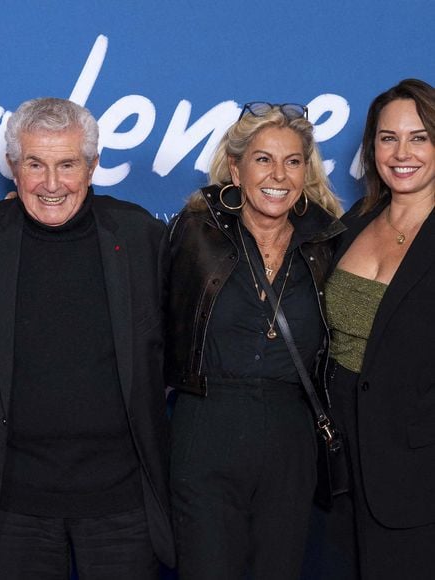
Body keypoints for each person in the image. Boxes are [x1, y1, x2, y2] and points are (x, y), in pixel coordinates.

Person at [0, 97, 175, 579]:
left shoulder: (139, 236)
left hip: (122, 502)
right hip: (15, 504)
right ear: (13, 166)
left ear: (92, 166)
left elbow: (174, 349)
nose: (51, 184)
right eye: (36, 164)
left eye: (67, 164)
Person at [166, 102, 344, 579]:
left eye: (292, 161)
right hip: (206, 426)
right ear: (235, 168)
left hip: (291, 435)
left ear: (306, 171)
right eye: (263, 159)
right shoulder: (193, 234)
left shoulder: (328, 242)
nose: (279, 175)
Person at [318, 79, 435, 580]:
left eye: (419, 136)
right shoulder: (356, 219)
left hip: (417, 475)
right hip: (337, 468)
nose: (401, 152)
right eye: (387, 138)